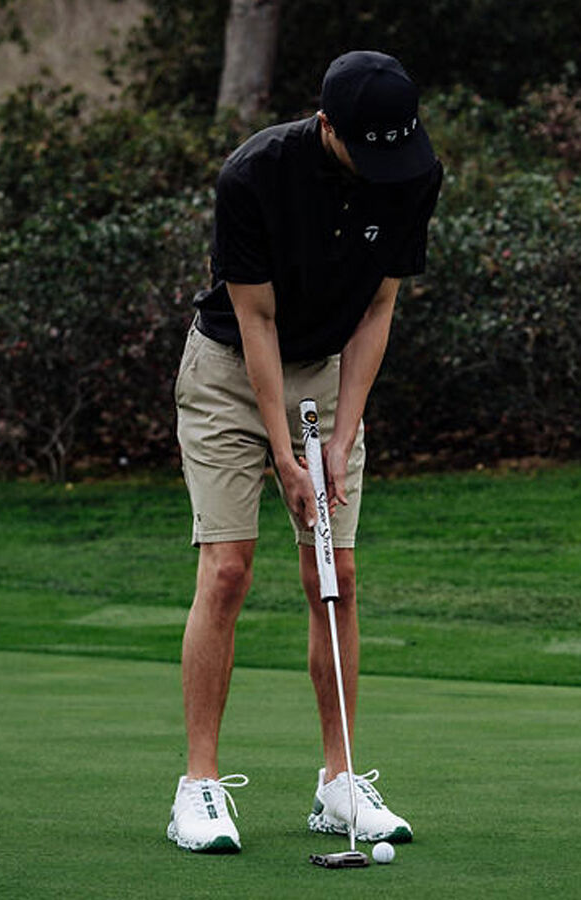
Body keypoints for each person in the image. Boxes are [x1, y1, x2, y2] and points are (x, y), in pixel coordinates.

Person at [167, 50, 442, 854]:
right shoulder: (254, 175)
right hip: (229, 371)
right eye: (368, 148)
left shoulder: (412, 173)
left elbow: (378, 306)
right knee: (227, 567)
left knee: (337, 571)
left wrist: (342, 436)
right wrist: (286, 456)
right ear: (327, 128)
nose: (387, 166)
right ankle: (200, 788)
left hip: (326, 374)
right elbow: (254, 321)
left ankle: (337, 785)